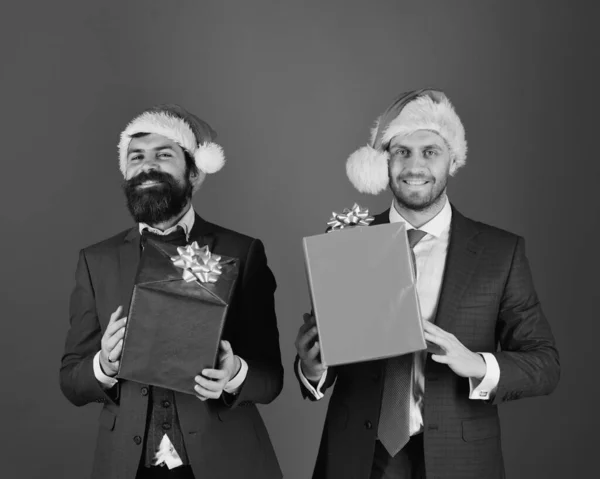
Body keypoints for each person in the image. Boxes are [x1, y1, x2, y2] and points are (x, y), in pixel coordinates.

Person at [294, 89, 560, 479]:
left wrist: (478, 365)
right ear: (384, 162)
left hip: (461, 458)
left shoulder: (501, 252)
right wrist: (312, 367)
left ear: (453, 159)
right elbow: (331, 365)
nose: (414, 166)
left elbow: (545, 364)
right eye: (401, 151)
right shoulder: (346, 241)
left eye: (429, 151)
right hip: (357, 456)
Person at [60, 104, 283, 479]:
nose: (148, 166)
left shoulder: (242, 252)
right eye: (136, 157)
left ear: (194, 172)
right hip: (127, 466)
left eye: (164, 155)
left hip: (223, 462)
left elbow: (270, 378)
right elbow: (71, 379)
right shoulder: (95, 261)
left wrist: (234, 375)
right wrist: (104, 366)